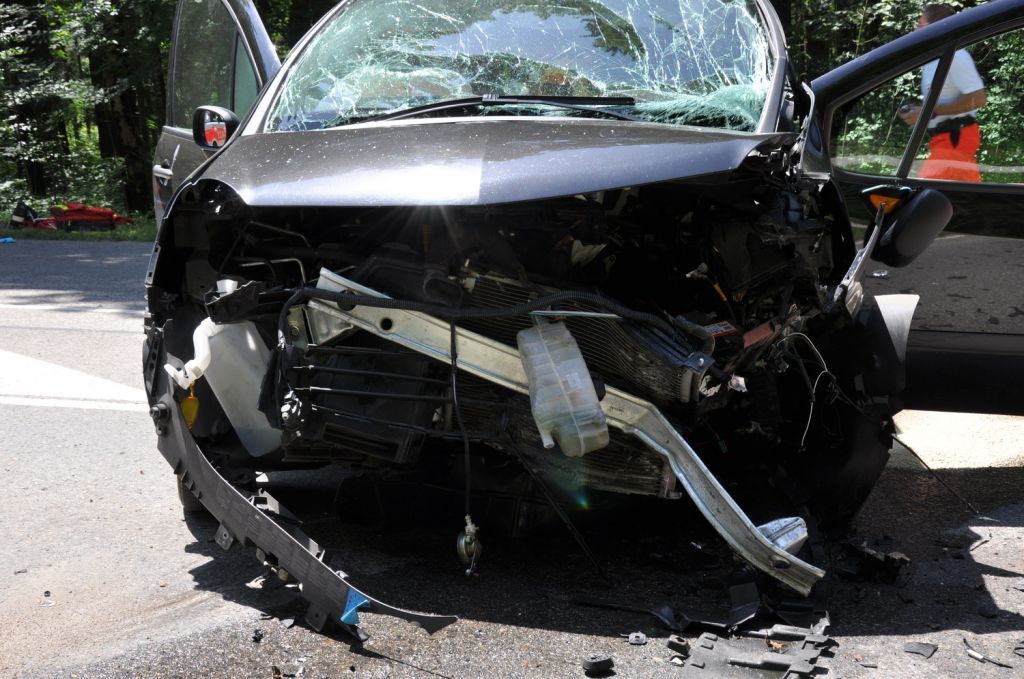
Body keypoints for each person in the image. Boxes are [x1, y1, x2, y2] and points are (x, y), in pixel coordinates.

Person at [900, 4, 987, 182]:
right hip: (944, 140)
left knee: (931, 192)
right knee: (957, 195)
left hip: (955, 138)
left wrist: (929, 112)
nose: (915, 31)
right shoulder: (936, 57)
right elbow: (939, 102)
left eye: (920, 26)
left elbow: (978, 98)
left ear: (937, 28)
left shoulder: (956, 56)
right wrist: (920, 110)